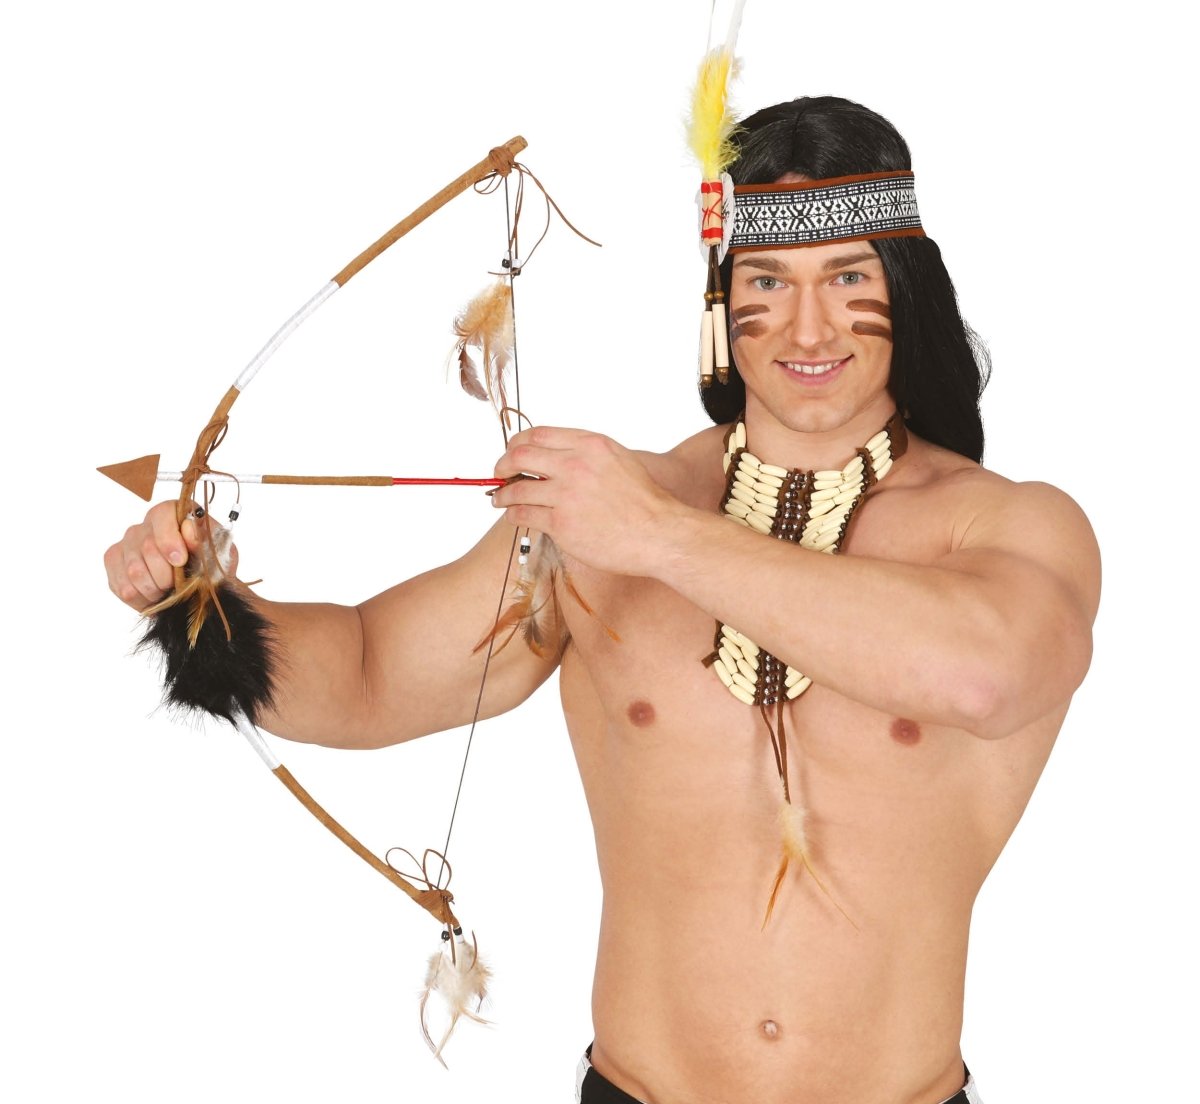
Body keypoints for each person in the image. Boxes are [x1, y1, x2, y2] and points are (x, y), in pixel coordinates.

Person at [104, 97, 1100, 1104]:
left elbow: (987, 675)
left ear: (906, 290)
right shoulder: (605, 515)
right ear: (721, 300)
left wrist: (663, 536)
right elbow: (366, 679)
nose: (808, 327)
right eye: (768, 280)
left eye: (849, 278)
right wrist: (200, 606)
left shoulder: (1009, 526)